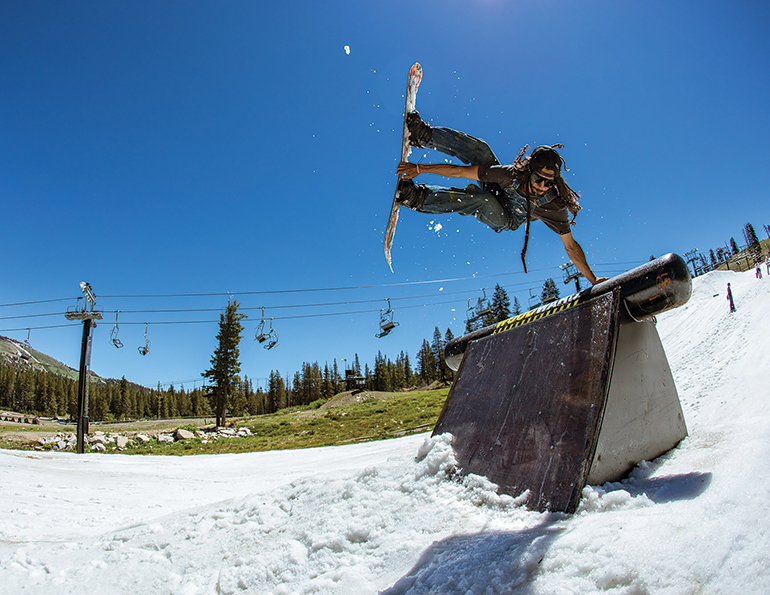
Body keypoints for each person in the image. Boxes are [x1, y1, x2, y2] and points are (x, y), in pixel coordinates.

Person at [395, 112, 606, 285]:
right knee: (482, 150)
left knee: (483, 200)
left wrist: (593, 279)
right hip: (498, 190)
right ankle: (423, 135)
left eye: (549, 182)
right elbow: (461, 171)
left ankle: (416, 198)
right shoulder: (509, 175)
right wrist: (419, 168)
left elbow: (570, 246)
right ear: (529, 171)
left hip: (506, 218)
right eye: (538, 178)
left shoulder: (553, 205)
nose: (542, 186)